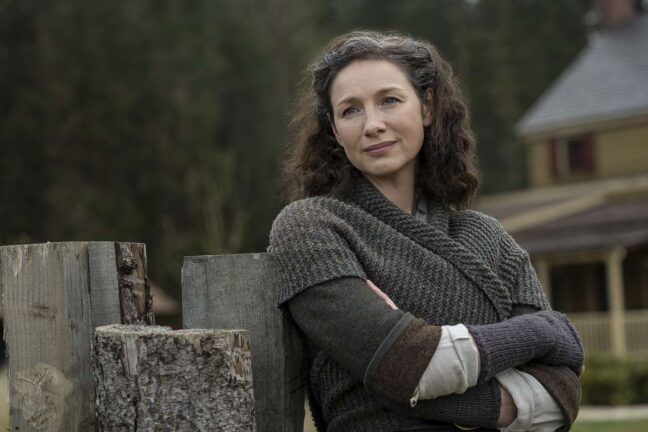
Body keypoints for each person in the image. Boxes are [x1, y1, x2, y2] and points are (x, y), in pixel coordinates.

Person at [268, 31, 583, 432]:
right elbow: (406, 366)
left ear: (427, 107)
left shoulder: (487, 238)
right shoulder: (311, 228)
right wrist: (544, 331)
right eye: (350, 110)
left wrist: (412, 383)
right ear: (334, 130)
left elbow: (562, 395)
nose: (373, 125)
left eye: (389, 100)